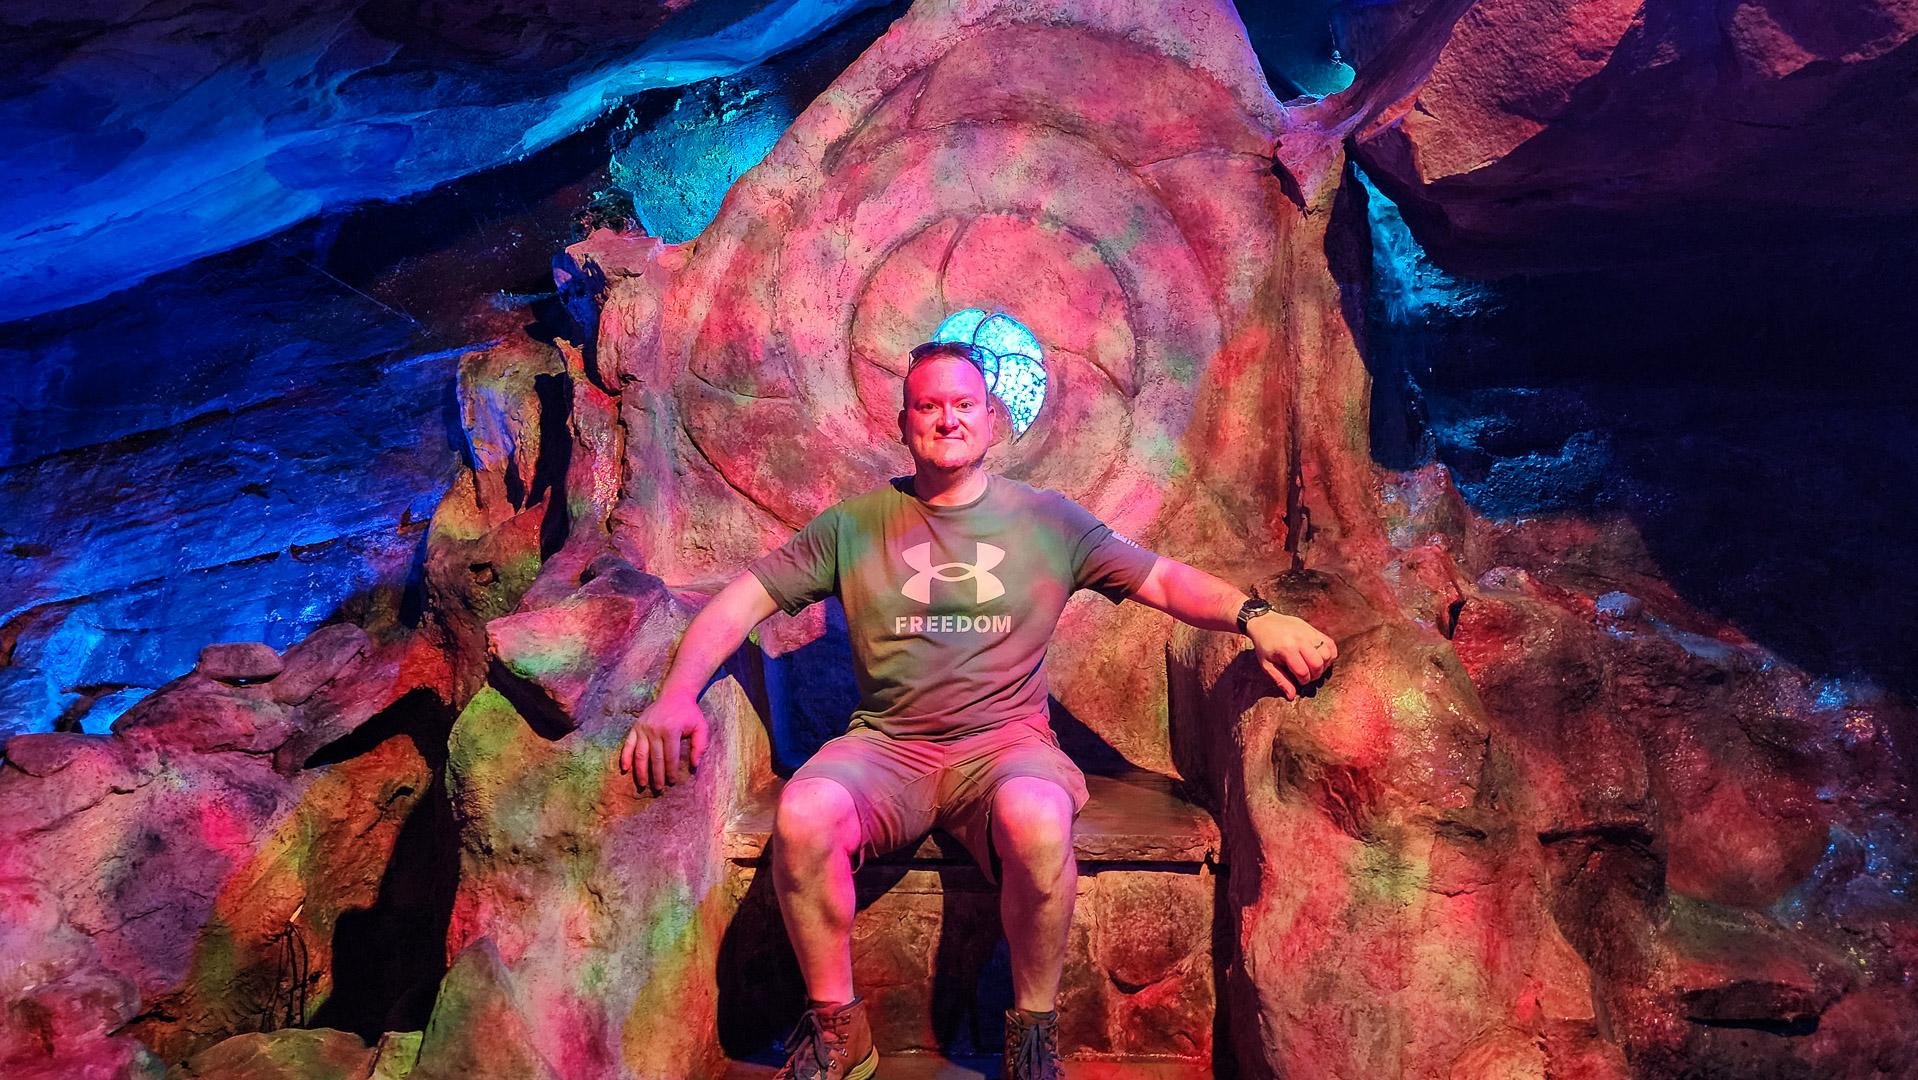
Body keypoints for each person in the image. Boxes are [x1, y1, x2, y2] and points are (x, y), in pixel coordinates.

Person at [618, 340, 1336, 1080]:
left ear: (991, 419)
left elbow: (1165, 581)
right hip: (887, 746)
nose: (947, 419)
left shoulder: (1048, 521)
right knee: (803, 815)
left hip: (1006, 746)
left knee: (1037, 816)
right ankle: (840, 1031)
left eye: (963, 404)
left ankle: (1031, 1035)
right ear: (904, 423)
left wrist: (1257, 617)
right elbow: (741, 602)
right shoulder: (854, 525)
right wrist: (676, 696)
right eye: (928, 406)